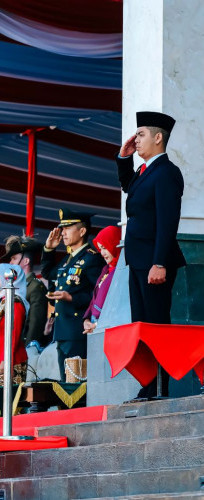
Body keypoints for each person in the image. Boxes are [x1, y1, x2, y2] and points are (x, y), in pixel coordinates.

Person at [117, 111, 185, 398]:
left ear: (158, 138)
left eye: (141, 134)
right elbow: (128, 187)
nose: (136, 139)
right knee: (141, 325)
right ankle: (148, 384)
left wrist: (159, 261)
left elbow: (168, 221)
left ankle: (160, 386)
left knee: (157, 325)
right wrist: (124, 158)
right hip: (138, 260)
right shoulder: (146, 172)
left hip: (154, 261)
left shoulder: (167, 172)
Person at [42, 209, 103, 381]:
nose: (63, 232)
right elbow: (49, 274)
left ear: (82, 231)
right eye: (63, 228)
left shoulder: (91, 259)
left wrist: (71, 298)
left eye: (68, 228)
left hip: (77, 329)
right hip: (62, 330)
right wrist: (48, 250)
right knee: (66, 382)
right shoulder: (68, 259)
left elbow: (97, 295)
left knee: (77, 382)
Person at [0, 236, 48, 347]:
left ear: (26, 261)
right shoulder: (14, 285)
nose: (10, 262)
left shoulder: (35, 286)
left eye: (14, 258)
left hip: (23, 348)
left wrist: (28, 347)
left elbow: (35, 323)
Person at [83, 225, 122, 334]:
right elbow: (94, 298)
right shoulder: (106, 269)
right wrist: (86, 319)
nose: (102, 253)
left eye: (105, 248)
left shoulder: (122, 270)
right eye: (100, 249)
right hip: (95, 325)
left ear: (114, 244)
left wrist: (97, 324)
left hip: (109, 326)